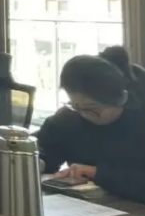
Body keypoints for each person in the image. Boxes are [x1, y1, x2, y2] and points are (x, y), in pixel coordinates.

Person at [39, 48, 145, 202]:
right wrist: (36, 162)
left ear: (121, 99)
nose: (83, 113)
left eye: (91, 108)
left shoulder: (139, 122)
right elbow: (46, 152)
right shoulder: (68, 119)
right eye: (75, 106)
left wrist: (97, 173)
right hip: (87, 207)